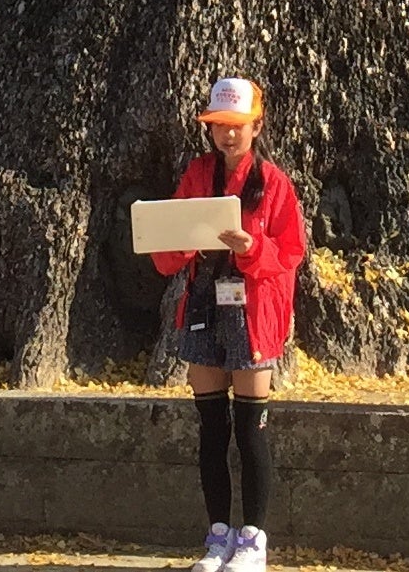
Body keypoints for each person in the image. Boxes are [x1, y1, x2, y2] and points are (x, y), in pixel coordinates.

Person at [150, 77, 307, 572]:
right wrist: (177, 240)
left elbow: (291, 253)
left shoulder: (275, 183)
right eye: (219, 126)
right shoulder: (197, 174)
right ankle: (218, 535)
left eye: (238, 126)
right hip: (204, 305)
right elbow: (168, 249)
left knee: (250, 428)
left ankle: (254, 539)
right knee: (211, 427)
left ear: (257, 127)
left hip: (254, 309)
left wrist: (251, 248)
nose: (229, 135)